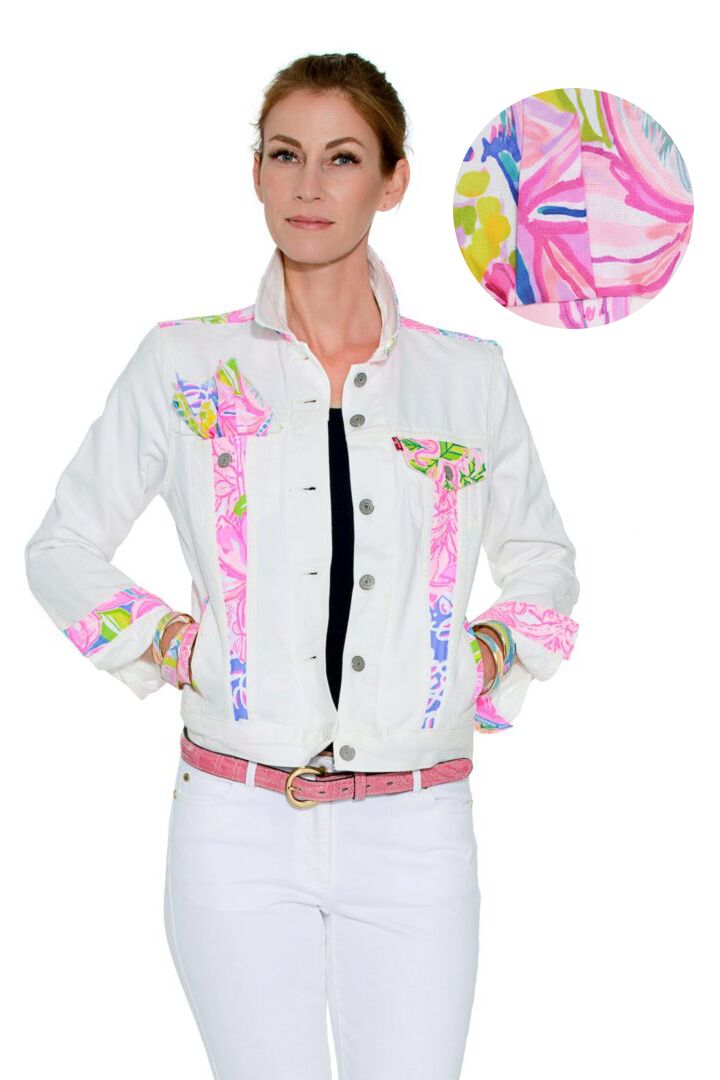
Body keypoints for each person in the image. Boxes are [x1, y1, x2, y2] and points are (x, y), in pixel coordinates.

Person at [24, 53, 580, 1080]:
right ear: (256, 172)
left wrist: (484, 656)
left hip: (416, 826)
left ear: (394, 181)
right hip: (234, 822)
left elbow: (543, 559)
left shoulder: (466, 377)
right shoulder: (184, 364)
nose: (310, 186)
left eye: (343, 158)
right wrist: (175, 647)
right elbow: (61, 547)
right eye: (285, 155)